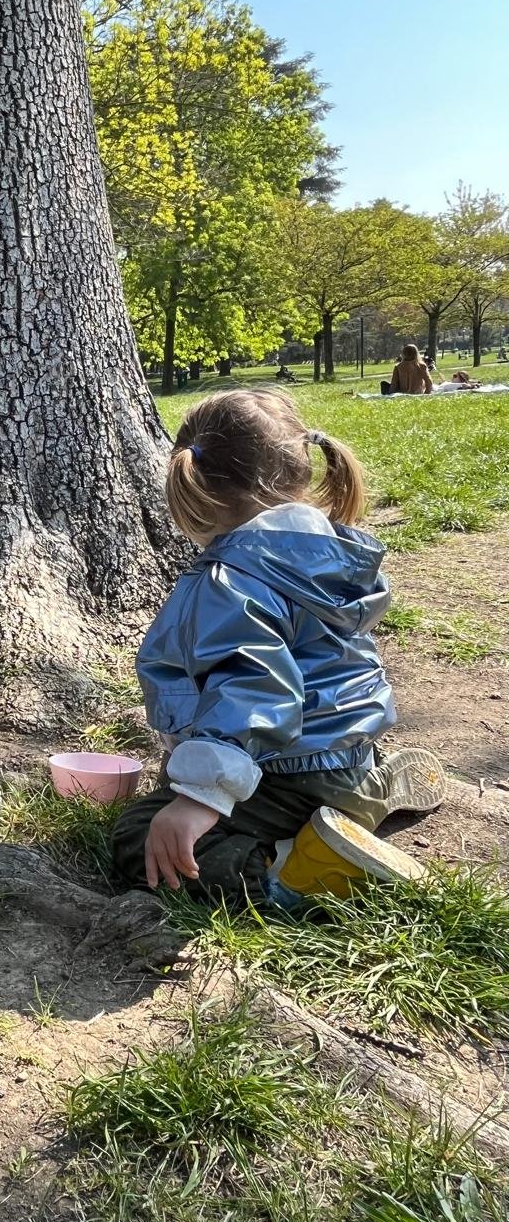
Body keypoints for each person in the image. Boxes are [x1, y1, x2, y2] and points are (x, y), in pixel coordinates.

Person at [109, 388, 445, 908]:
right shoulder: (329, 553)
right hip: (347, 749)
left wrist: (201, 798)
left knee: (139, 834)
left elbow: (252, 681)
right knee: (181, 788)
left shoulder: (232, 578)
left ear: (198, 489)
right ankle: (362, 796)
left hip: (287, 768)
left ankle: (292, 880)